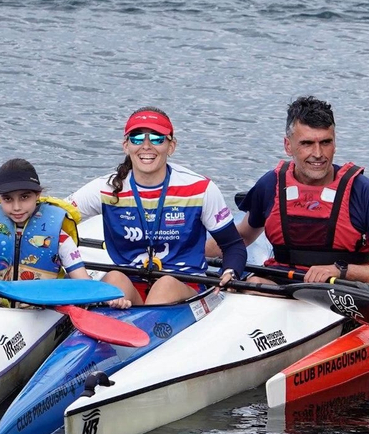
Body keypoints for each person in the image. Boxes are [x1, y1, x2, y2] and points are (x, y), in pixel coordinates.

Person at [68, 108, 246, 305]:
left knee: (165, 284)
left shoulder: (199, 189)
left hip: (185, 285)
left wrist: (231, 272)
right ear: (126, 146)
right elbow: (54, 217)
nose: (146, 146)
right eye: (137, 138)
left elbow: (233, 246)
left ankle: (134, 324)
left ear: (171, 146)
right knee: (114, 278)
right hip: (131, 280)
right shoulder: (105, 189)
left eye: (156, 138)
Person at [236, 96, 369, 289]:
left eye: (326, 142)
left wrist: (341, 270)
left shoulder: (364, 192)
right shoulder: (270, 184)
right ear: (288, 146)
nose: (318, 154)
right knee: (253, 282)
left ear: (335, 144)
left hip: (342, 292)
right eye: (307, 143)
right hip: (280, 286)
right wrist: (197, 252)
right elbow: (240, 238)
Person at [0, 158, 129, 308]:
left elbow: (83, 283)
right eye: (8, 199)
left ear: (38, 195)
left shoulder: (60, 238)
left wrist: (108, 298)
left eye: (25, 197)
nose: (17, 207)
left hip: (41, 314)